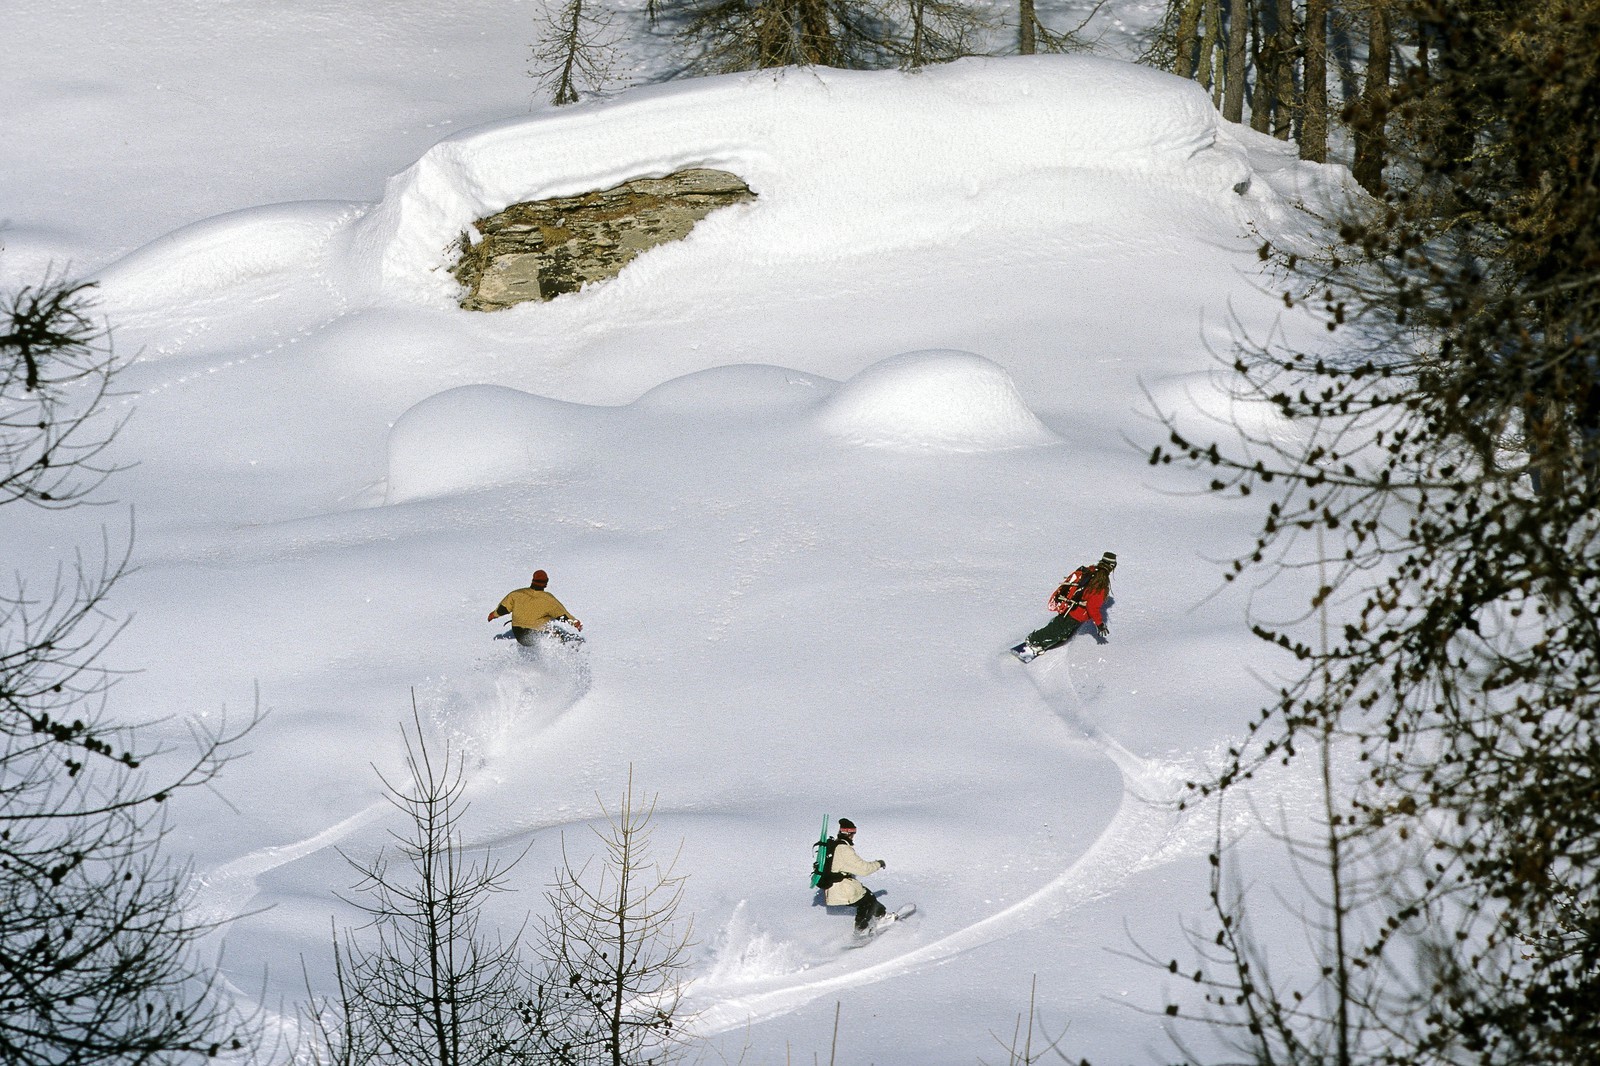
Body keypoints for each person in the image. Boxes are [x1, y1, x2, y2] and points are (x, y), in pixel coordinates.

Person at [1013, 551, 1115, 662]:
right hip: (1076, 614)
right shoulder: (1100, 583)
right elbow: (1092, 607)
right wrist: (1099, 624)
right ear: (1111, 567)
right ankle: (1033, 643)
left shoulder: (1090, 571)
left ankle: (1036, 642)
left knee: (1058, 628)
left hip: (1069, 607)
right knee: (1056, 631)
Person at [821, 817, 890, 933]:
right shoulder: (843, 850)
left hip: (837, 887)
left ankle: (881, 917)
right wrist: (879, 863)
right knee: (866, 902)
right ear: (848, 833)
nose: (854, 836)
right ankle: (861, 931)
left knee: (868, 897)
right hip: (841, 888)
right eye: (853, 833)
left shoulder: (834, 846)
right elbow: (864, 869)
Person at [487, 569, 583, 646]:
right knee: (557, 636)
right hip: (535, 634)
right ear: (546, 583)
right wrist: (576, 623)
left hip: (518, 634)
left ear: (532, 580)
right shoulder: (548, 600)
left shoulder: (517, 594)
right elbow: (562, 615)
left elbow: (503, 608)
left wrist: (494, 615)